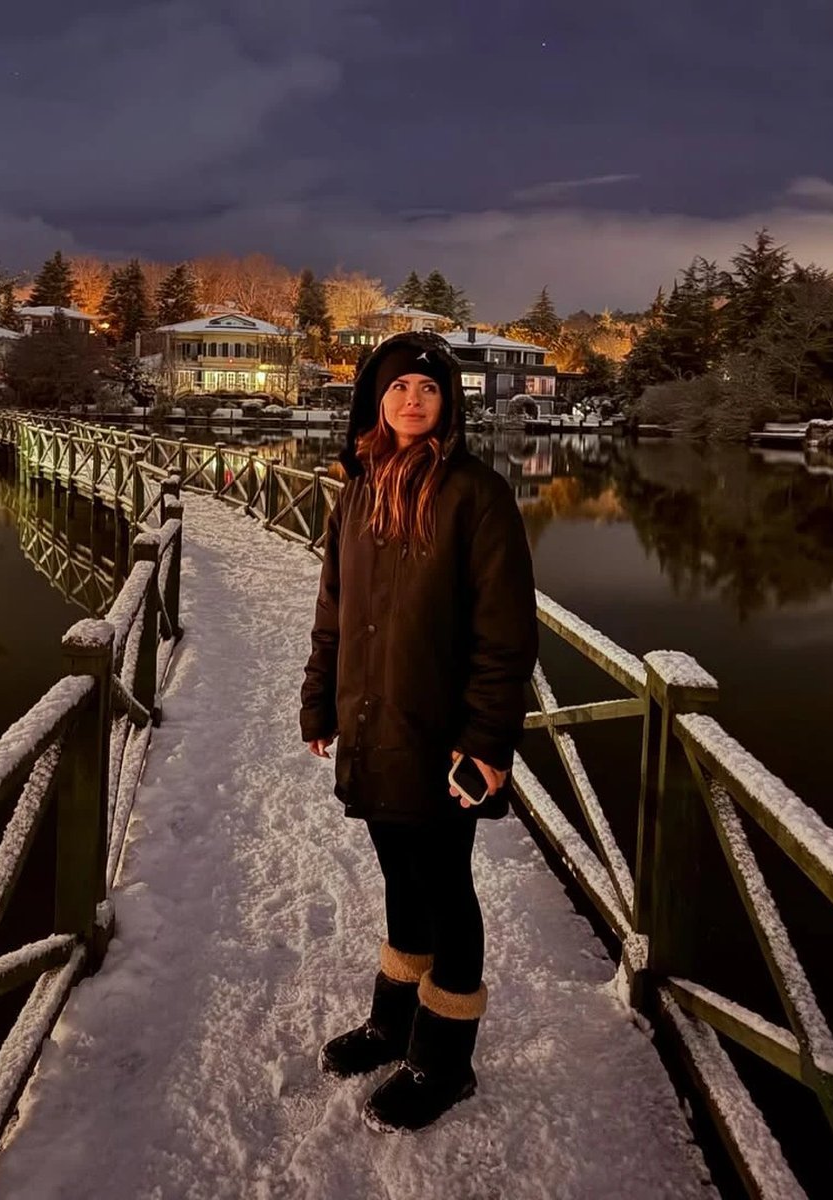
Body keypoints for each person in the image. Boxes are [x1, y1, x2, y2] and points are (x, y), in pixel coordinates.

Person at [299, 331, 539, 1132]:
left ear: (448, 405)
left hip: (441, 738)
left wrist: (487, 743)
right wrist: (318, 701)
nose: (413, 400)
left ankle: (445, 1061)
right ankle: (392, 1024)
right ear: (376, 399)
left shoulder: (477, 494)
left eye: (429, 390)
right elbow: (334, 608)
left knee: (446, 890)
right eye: (400, 387)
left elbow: (506, 634)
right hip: (373, 724)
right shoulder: (359, 489)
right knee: (400, 876)